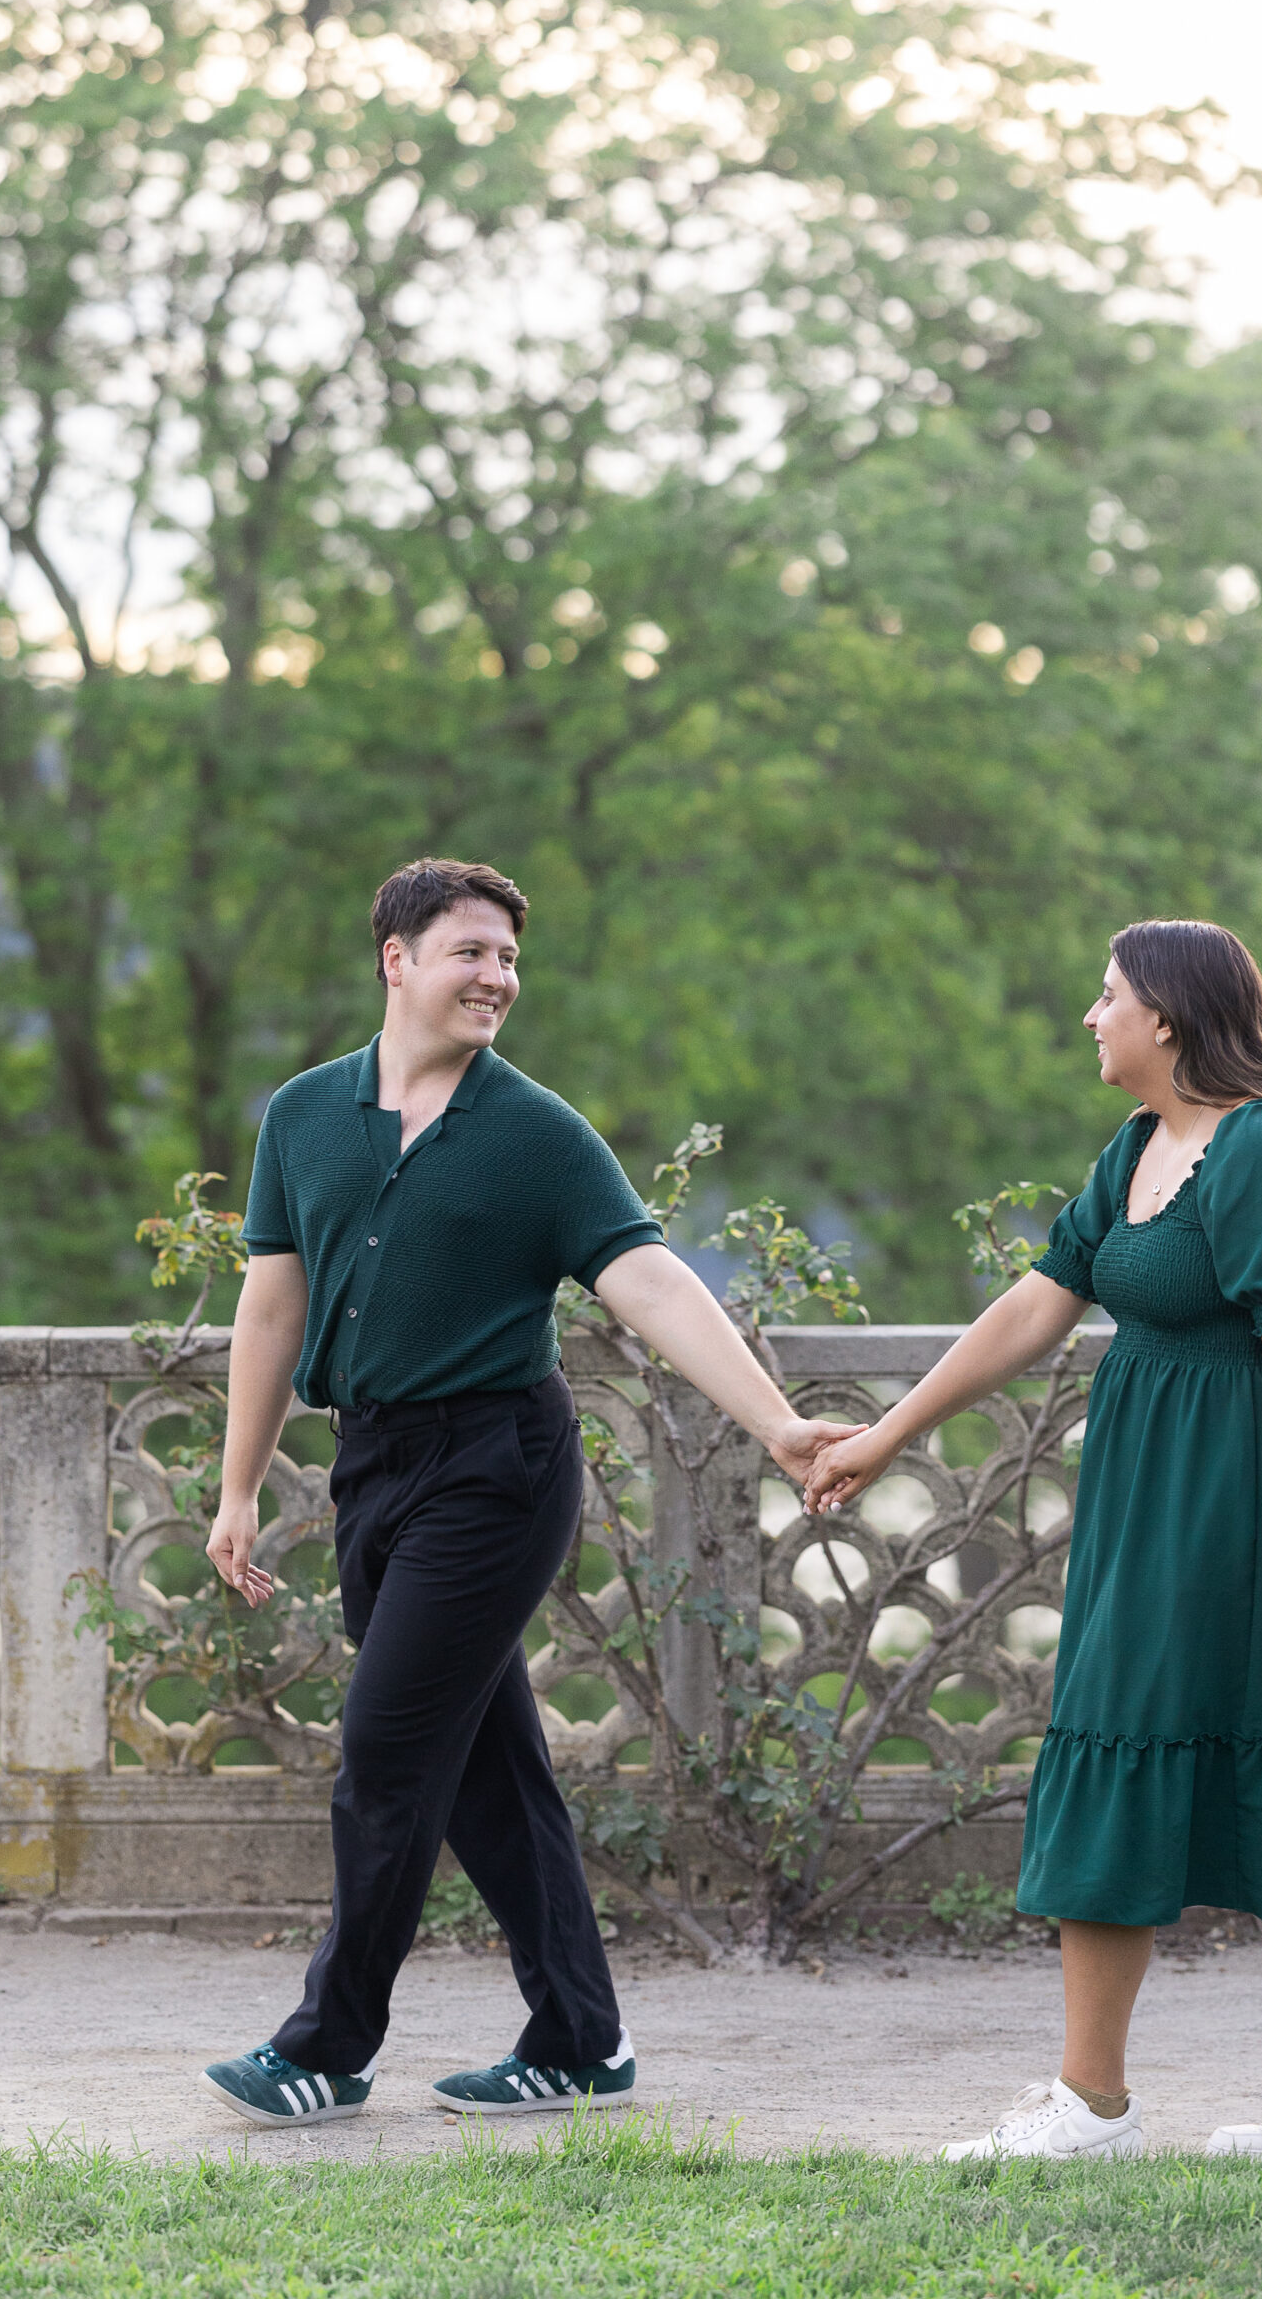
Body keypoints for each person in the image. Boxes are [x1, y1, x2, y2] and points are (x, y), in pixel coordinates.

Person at [199, 857, 859, 2128]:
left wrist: (776, 1422)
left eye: (508, 956)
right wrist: (236, 1488)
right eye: (470, 951)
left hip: (499, 1469)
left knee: (388, 1747)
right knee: (493, 1769)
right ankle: (580, 2040)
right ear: (396, 958)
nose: (497, 976)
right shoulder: (302, 1116)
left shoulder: (539, 1133)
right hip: (374, 1467)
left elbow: (652, 1281)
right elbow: (271, 1307)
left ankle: (327, 2046)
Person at [805, 919, 1262, 2162]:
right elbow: (1039, 1301)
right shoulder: (1139, 1146)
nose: (1092, 1016)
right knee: (1116, 1737)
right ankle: (1098, 2100)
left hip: (1246, 1509)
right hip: (1147, 1497)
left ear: (1171, 1018)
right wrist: (891, 1431)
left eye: (1108, 995)